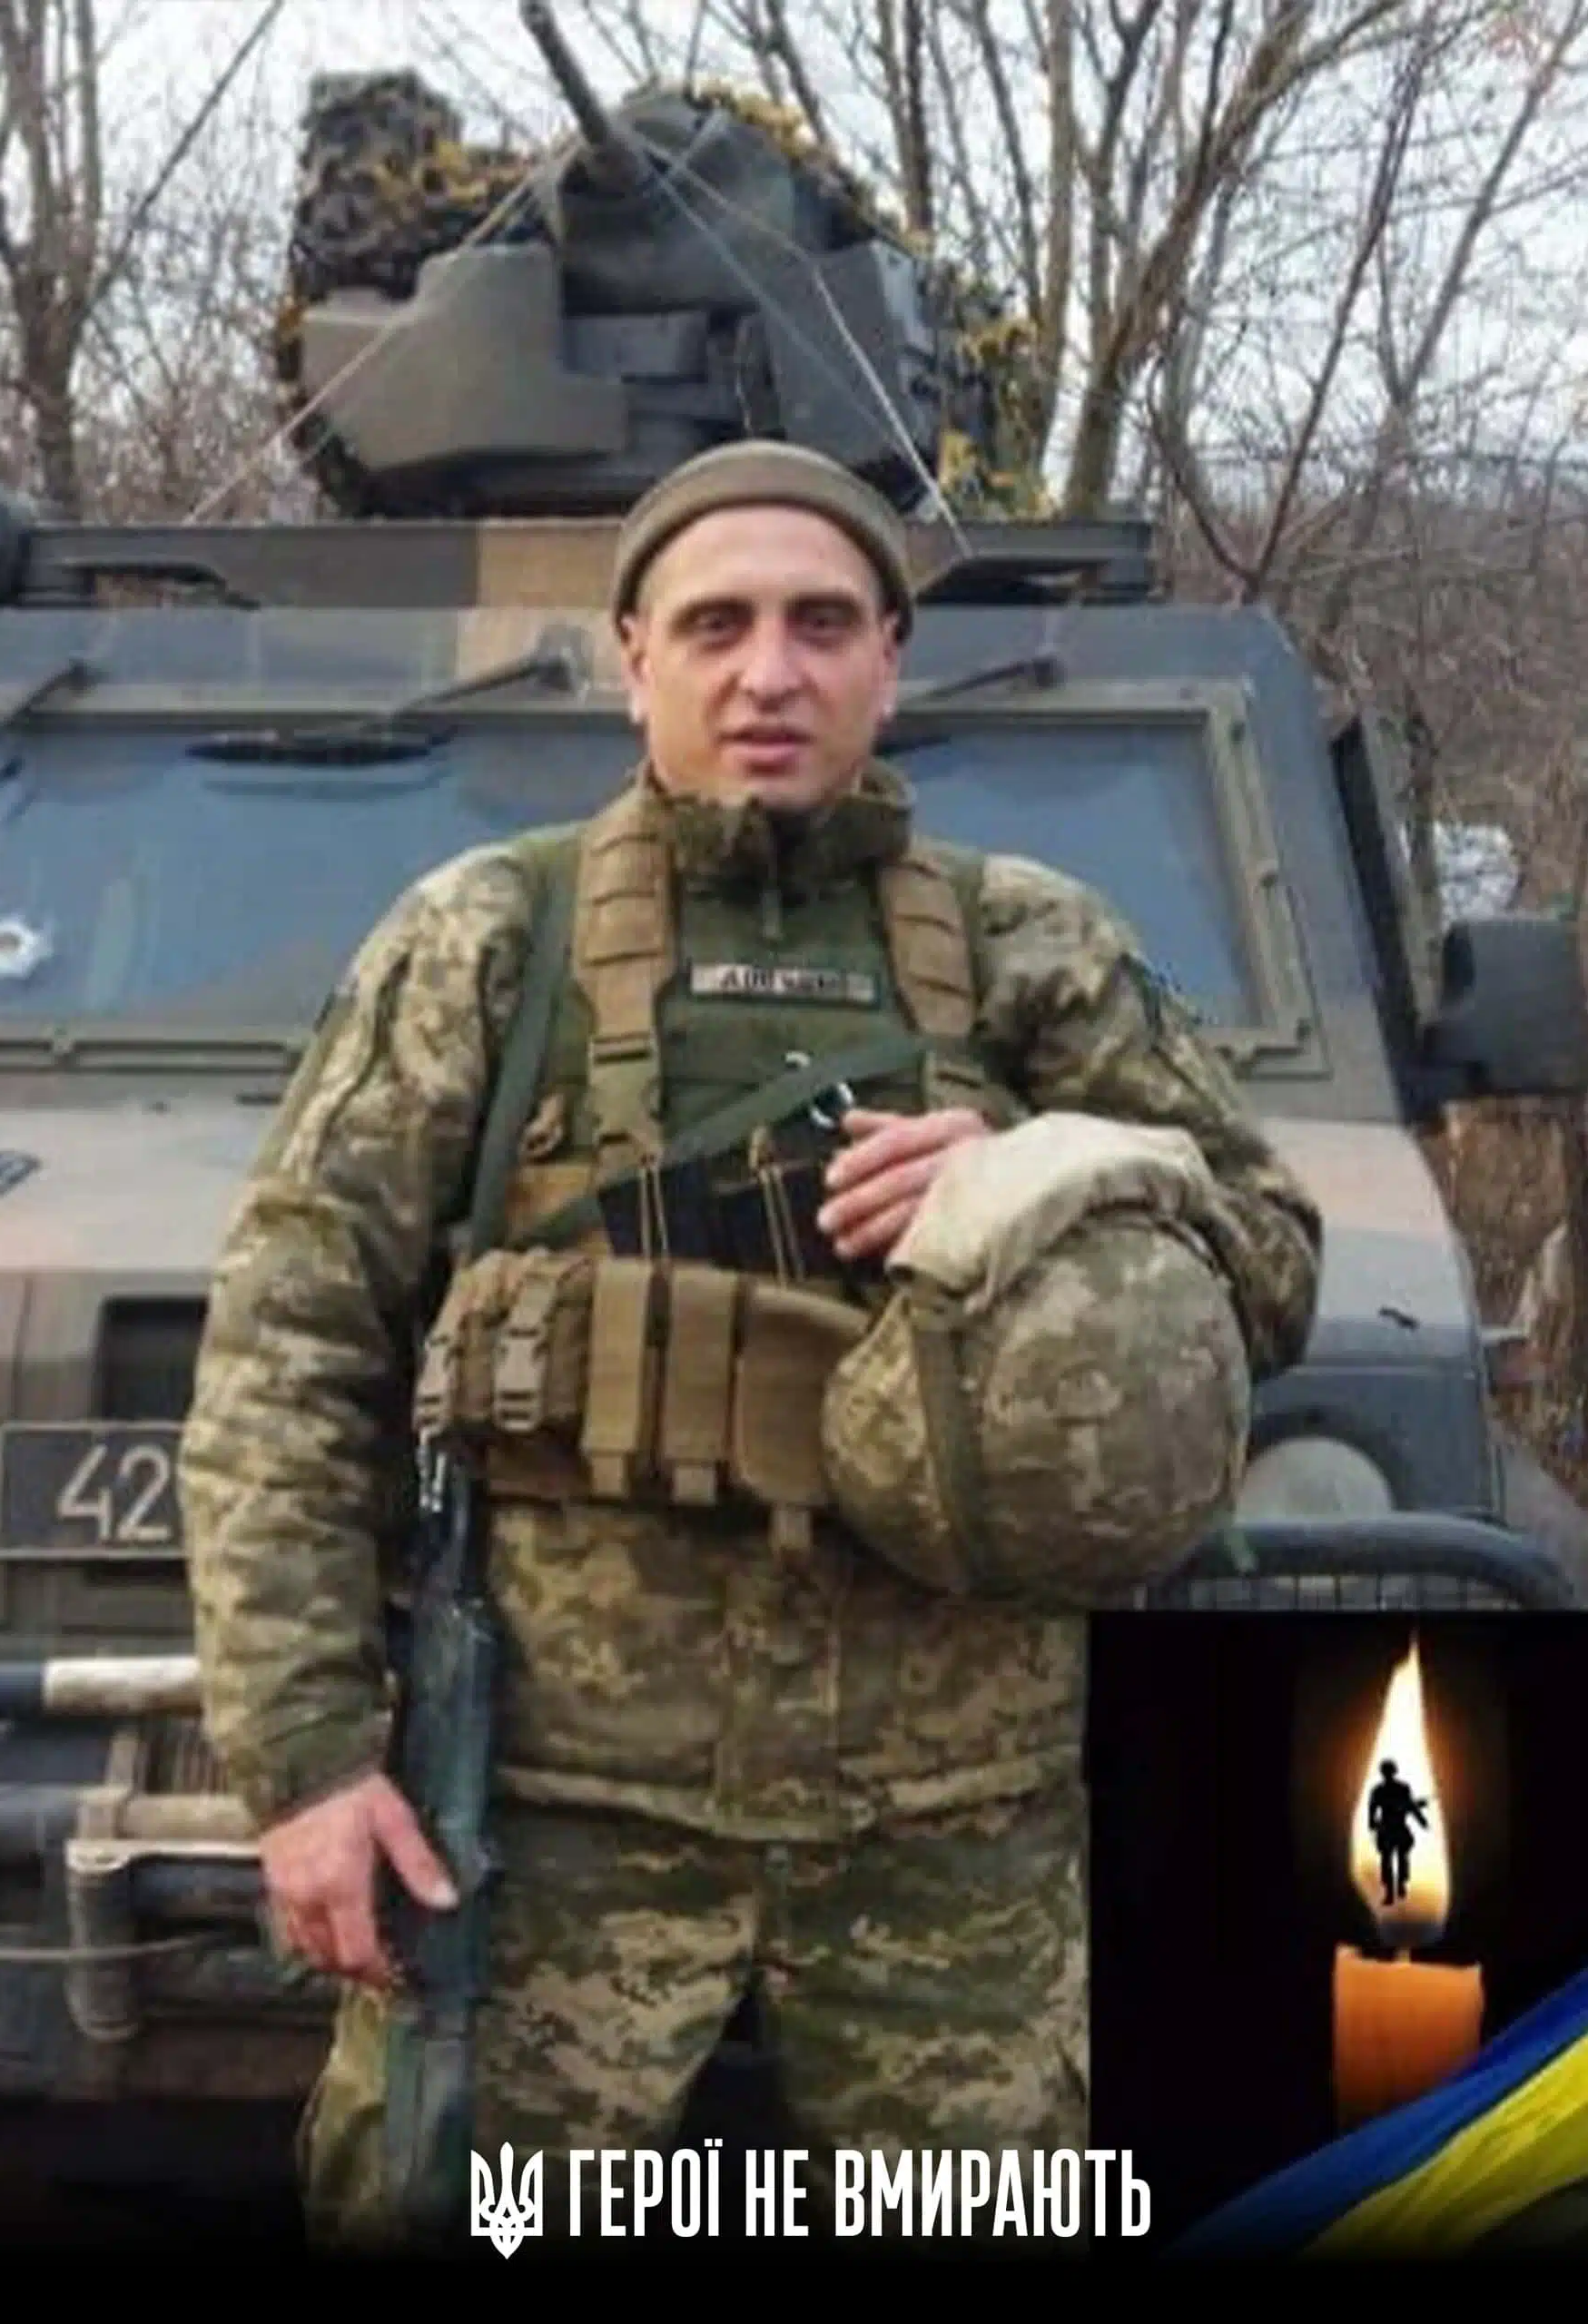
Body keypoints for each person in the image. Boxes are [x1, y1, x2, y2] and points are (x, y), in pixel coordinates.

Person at [179, 439, 1322, 2247]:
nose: (766, 672)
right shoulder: (489, 939)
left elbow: (1267, 1264)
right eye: (714, 626)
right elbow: (285, 1352)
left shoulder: (1032, 948)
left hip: (956, 1817)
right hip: (553, 1811)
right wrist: (308, 1764)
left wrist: (1049, 1171)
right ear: (633, 656)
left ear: (889, 657)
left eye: (819, 623)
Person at [1369, 1758, 1429, 1905]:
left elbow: (1409, 1806)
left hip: (1391, 1828)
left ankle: (1397, 1887)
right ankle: (1394, 1889)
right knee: (1393, 1859)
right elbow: (1410, 1806)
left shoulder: (1380, 1790)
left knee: (1395, 1859)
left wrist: (1421, 1819)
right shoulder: (1396, 1789)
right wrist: (1421, 1819)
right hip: (1393, 1828)